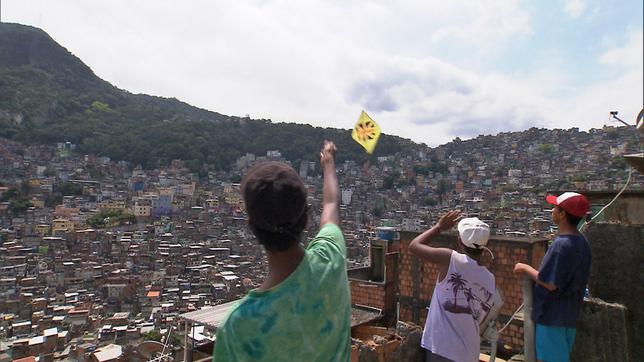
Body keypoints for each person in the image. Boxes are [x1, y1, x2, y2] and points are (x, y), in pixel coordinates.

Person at [213, 141, 351, 361]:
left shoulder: (238, 327)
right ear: (306, 218)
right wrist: (328, 162)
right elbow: (331, 203)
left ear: (251, 227)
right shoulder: (331, 259)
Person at [514, 192, 591, 362]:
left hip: (552, 318)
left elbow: (550, 283)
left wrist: (525, 268)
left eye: (555, 207)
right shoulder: (583, 243)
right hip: (569, 315)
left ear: (563, 214)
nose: (551, 210)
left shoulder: (561, 244)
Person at [409, 211, 496, 362]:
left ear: (459, 241)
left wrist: (438, 227)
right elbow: (480, 317)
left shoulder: (450, 259)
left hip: (442, 349)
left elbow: (414, 246)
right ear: (484, 246)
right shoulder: (490, 278)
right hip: (469, 353)